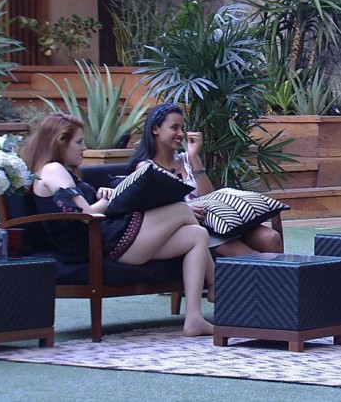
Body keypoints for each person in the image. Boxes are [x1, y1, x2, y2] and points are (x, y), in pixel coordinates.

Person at [23, 112, 215, 337]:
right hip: (97, 245)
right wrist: (110, 199)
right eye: (78, 142)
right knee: (181, 209)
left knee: (196, 235)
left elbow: (84, 207)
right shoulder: (52, 169)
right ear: (60, 142)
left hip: (106, 239)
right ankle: (217, 286)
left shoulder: (61, 171)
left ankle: (193, 319)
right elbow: (85, 215)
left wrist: (103, 194)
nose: (84, 148)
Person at [128, 103, 283, 256]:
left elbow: (208, 195)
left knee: (271, 238)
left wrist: (193, 156)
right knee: (250, 255)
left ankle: (280, 273)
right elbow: (152, 211)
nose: (180, 133)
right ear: (155, 129)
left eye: (182, 128)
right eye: (174, 128)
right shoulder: (146, 168)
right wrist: (184, 211)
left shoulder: (187, 159)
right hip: (191, 229)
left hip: (218, 221)